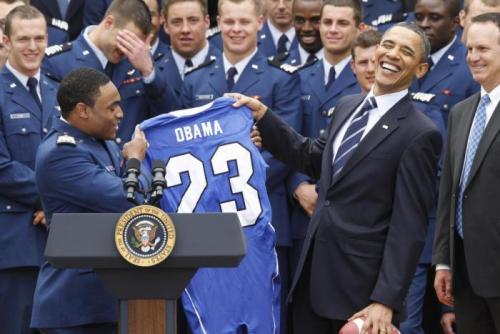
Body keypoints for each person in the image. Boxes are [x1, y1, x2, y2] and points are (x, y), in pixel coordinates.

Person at [232, 21, 442, 334]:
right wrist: (265, 117)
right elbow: (312, 159)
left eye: (406, 52)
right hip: (313, 280)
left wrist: (385, 300)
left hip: (363, 295)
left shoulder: (420, 133)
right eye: (389, 44)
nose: (392, 54)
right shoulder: (346, 107)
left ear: (421, 70)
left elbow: (409, 226)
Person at [181, 0, 301, 331]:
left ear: (260, 22)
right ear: (217, 22)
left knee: (265, 311)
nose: (236, 29)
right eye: (229, 21)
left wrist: (237, 187)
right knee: (212, 312)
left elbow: (285, 151)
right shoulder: (195, 81)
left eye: (244, 22)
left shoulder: (281, 80)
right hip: (205, 219)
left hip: (264, 216)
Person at [31, 67, 150, 334]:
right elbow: (128, 199)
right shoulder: (60, 153)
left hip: (107, 296)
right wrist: (135, 161)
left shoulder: (101, 141)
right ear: (83, 111)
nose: (120, 114)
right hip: (75, 306)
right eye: (112, 107)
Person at [400, 2, 478, 333]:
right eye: (419, 17)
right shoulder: (405, 57)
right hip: (396, 218)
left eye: (435, 17)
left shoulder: (469, 66)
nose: (426, 24)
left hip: (439, 216)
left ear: (457, 20)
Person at [433, 12, 500, 334]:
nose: (473, 57)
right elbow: (450, 190)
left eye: (483, 49)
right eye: (469, 49)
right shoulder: (461, 112)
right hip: (465, 276)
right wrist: (444, 261)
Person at [287, 0, 361, 282]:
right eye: (326, 22)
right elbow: (290, 139)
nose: (332, 30)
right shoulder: (298, 77)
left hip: (347, 211)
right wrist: (297, 186)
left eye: (342, 23)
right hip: (302, 212)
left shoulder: (367, 79)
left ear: (358, 27)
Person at [0, 6, 59, 334]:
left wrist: (54, 203)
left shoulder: (58, 91)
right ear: (6, 41)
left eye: (39, 38)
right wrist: (50, 198)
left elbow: (74, 156)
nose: (33, 46)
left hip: (59, 241)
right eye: (23, 39)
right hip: (15, 243)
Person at [43, 0, 172, 146]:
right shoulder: (59, 62)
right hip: (85, 161)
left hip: (133, 163)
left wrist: (149, 72)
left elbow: (168, 117)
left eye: (133, 44)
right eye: (125, 39)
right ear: (109, 23)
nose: (126, 49)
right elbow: (55, 127)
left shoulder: (136, 61)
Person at [154, 0, 221, 113]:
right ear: (165, 26)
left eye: (193, 21)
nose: (185, 29)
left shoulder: (227, 67)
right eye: (177, 22)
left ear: (207, 22)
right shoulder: (153, 73)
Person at [281, 0, 323, 66]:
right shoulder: (279, 66)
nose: (307, 28)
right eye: (300, 20)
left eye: (315, 20)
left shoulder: (339, 66)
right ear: (292, 21)